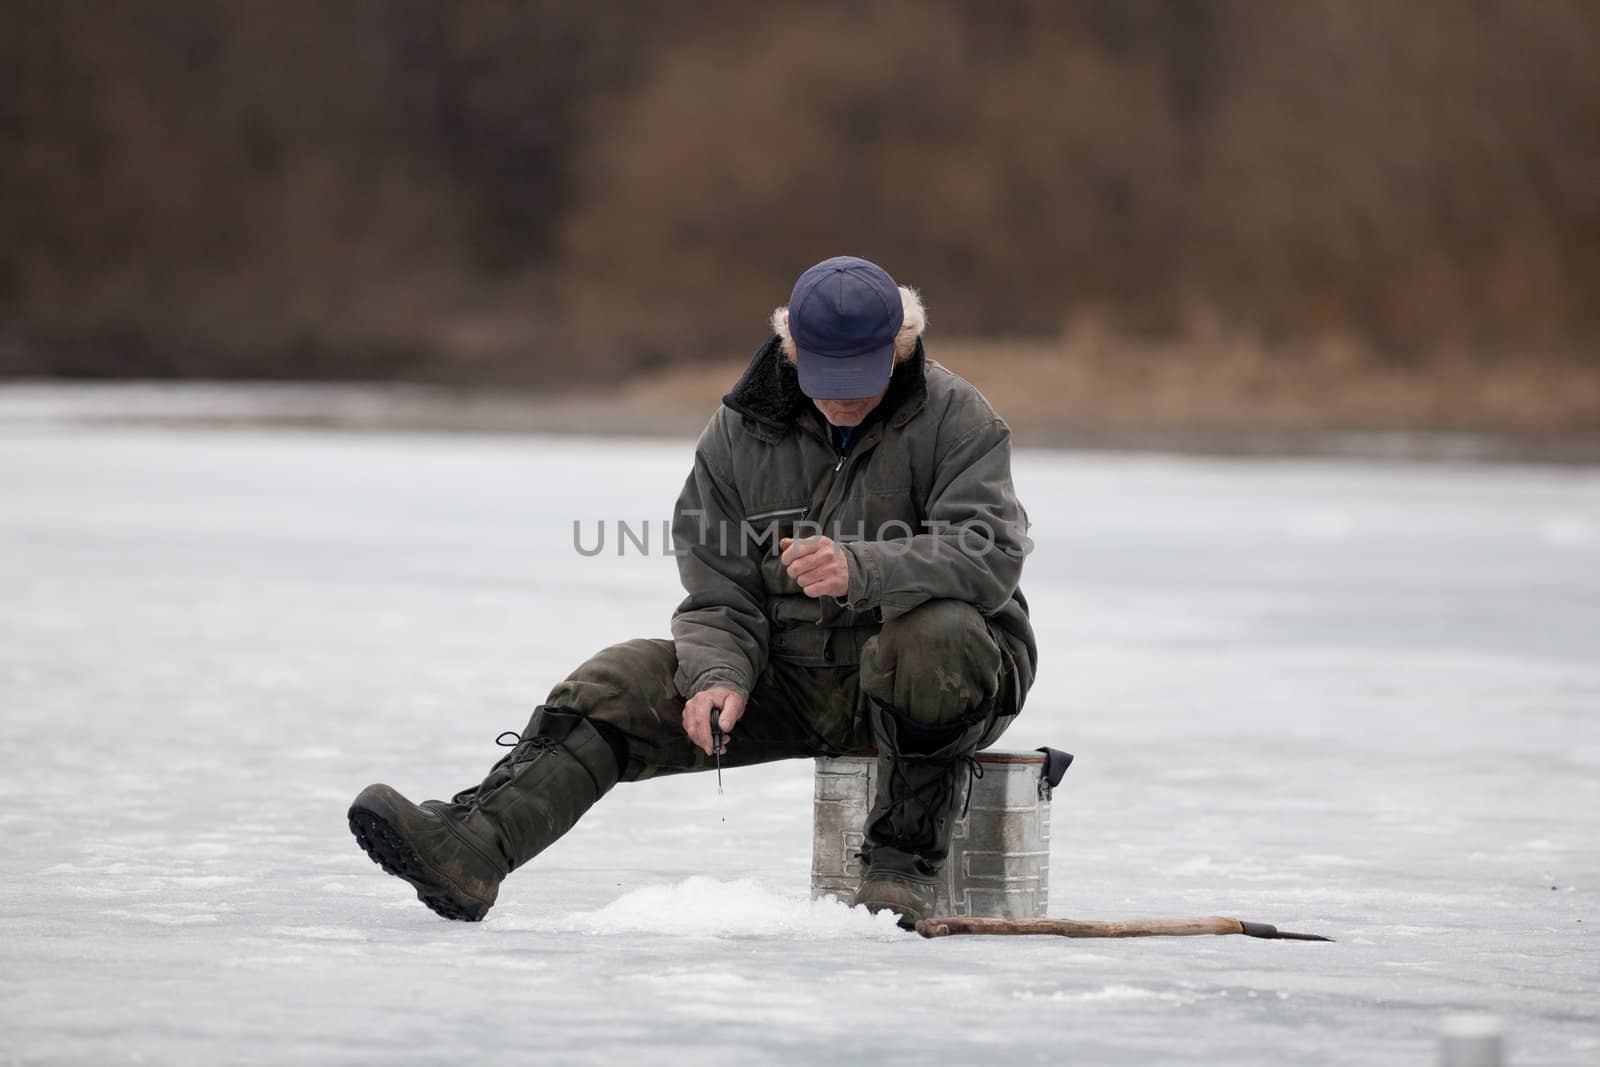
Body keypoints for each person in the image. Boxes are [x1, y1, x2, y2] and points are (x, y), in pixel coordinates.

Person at [348, 255, 1037, 927]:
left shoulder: (958, 418)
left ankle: (899, 869)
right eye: (826, 376)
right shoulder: (739, 432)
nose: (843, 397)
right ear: (791, 349)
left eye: (861, 377)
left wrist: (865, 568)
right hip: (793, 677)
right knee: (616, 680)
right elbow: (717, 589)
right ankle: (472, 847)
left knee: (934, 635)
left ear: (900, 348)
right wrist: (718, 672)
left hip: (940, 680)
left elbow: (991, 552)